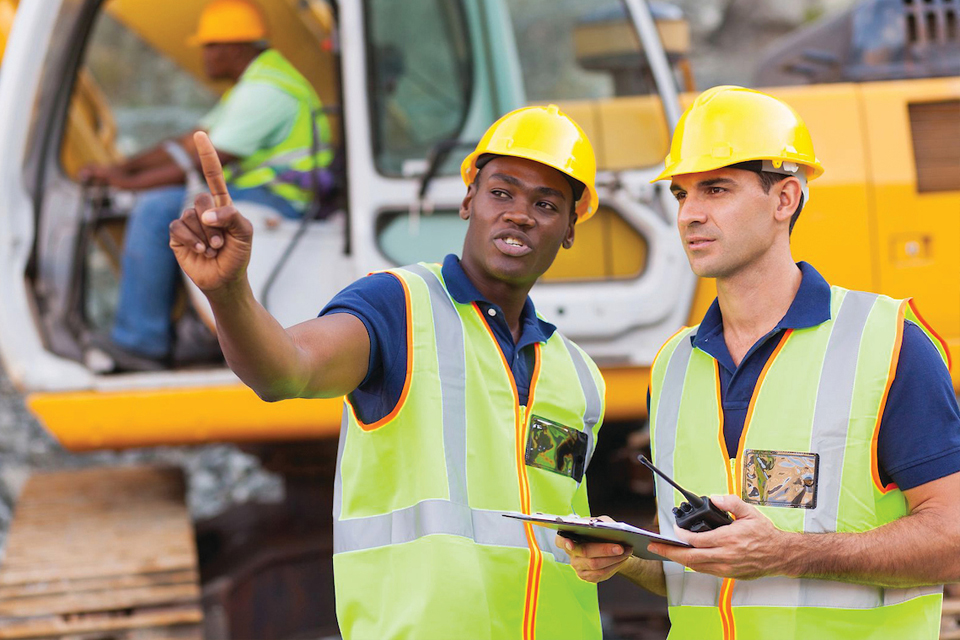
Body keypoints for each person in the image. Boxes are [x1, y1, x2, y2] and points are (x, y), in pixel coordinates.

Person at [171, 105, 607, 639]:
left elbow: (564, 541)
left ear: (569, 229)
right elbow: (286, 371)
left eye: (546, 204)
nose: (519, 214)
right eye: (502, 192)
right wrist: (228, 291)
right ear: (469, 200)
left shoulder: (580, 378)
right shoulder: (398, 308)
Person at [560, 86, 960, 639]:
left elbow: (953, 540)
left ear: (785, 200)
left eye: (716, 189)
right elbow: (701, 569)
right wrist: (628, 555)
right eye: (681, 194)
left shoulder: (888, 344)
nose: (690, 215)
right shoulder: (673, 366)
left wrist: (785, 553)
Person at [86, 0, 332, 370]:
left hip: (281, 200)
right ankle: (173, 329)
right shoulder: (257, 81)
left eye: (210, 46)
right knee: (164, 202)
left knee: (157, 208)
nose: (205, 56)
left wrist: (129, 184)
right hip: (265, 193)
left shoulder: (267, 91)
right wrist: (122, 169)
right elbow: (188, 144)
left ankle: (141, 342)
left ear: (236, 47)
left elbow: (207, 160)